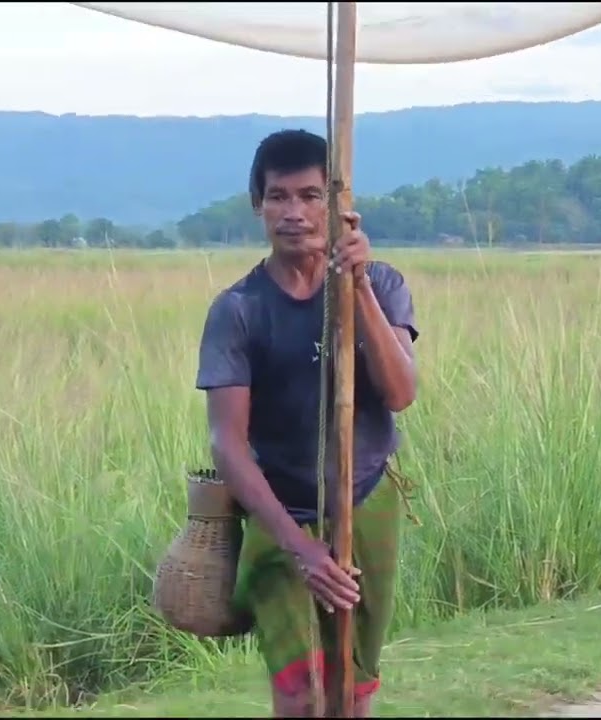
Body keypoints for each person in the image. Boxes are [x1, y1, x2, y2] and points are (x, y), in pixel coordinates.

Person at [194, 128, 419, 717]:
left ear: (338, 206)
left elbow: (399, 393)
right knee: (299, 692)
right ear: (258, 204)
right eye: (278, 197)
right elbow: (228, 442)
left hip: (364, 500)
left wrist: (359, 286)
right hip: (281, 515)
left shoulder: (384, 284)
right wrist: (301, 549)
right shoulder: (240, 309)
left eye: (310, 195)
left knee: (353, 686)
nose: (293, 213)